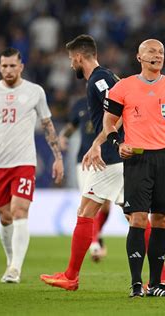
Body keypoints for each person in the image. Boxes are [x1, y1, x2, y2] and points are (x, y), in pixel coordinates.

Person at [40, 35, 165, 292]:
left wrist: (98, 144)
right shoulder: (106, 77)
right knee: (135, 218)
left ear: (79, 57)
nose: (70, 65)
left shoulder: (99, 79)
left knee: (85, 212)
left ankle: (70, 276)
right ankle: (163, 278)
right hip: (125, 157)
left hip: (112, 160)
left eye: (71, 59)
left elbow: (121, 110)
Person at [84, 39, 165, 297]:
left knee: (162, 220)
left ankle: (157, 284)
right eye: (151, 51)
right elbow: (109, 123)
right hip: (137, 159)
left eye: (160, 52)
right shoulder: (123, 87)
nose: (157, 55)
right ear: (139, 57)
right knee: (137, 219)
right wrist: (117, 143)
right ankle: (137, 284)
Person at [0, 47, 64, 284]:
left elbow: (48, 125)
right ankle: (10, 261)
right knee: (5, 217)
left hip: (24, 162)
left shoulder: (35, 92)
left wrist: (57, 157)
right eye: (4, 66)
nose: (8, 70)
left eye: (12, 65)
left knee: (19, 211)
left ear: (21, 67)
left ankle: (15, 268)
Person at [59, 96, 110, 262]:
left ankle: (97, 233)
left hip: (108, 159)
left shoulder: (113, 101)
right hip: (84, 160)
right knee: (89, 201)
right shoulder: (80, 104)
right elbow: (72, 125)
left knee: (106, 205)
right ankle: (94, 243)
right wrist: (63, 136)